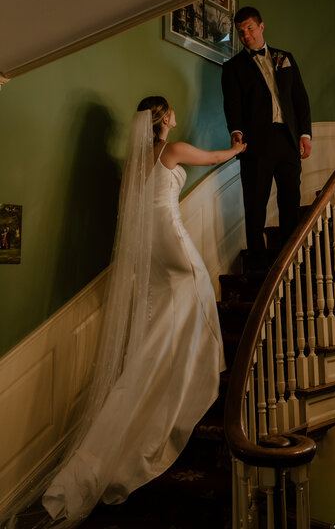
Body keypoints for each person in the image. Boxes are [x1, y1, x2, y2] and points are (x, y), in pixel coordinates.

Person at [1, 97, 246, 529]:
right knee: (200, 285)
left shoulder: (130, 167)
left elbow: (125, 214)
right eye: (169, 112)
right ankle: (197, 371)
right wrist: (238, 148)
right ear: (164, 118)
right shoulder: (171, 150)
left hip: (149, 251)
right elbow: (212, 158)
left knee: (160, 325)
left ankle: (156, 379)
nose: (173, 117)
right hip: (170, 237)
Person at [221, 6, 311, 271]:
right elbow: (232, 104)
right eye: (241, 32)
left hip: (288, 140)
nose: (246, 35)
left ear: (261, 27)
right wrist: (236, 131)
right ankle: (259, 267)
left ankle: (291, 261)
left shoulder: (286, 58)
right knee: (255, 205)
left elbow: (300, 99)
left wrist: (304, 134)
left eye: (249, 29)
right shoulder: (233, 67)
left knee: (290, 201)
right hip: (255, 145)